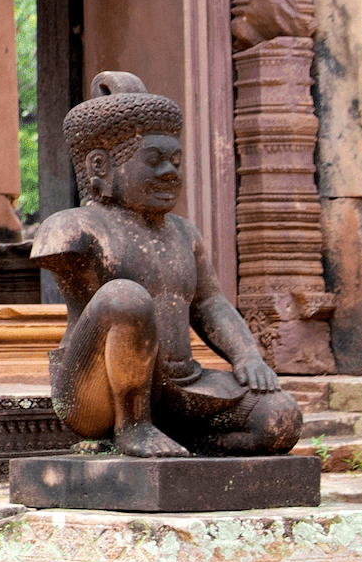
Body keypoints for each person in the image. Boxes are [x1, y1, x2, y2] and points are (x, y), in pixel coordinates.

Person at [31, 73, 303, 457]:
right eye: (154, 161)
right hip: (95, 393)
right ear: (100, 167)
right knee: (124, 297)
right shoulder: (74, 228)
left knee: (280, 418)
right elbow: (106, 302)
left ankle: (183, 446)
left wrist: (247, 355)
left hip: (182, 387)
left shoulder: (184, 233)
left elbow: (210, 303)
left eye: (175, 161)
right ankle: (133, 428)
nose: (170, 172)